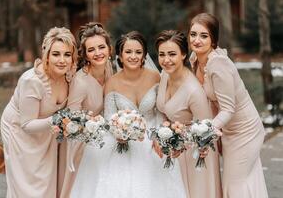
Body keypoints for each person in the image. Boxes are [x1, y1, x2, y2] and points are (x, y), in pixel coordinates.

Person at [70, 31, 186, 198]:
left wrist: (159, 136)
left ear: (144, 55)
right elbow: (110, 118)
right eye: (128, 52)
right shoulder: (112, 82)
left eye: (138, 52)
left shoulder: (155, 77)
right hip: (123, 142)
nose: (133, 56)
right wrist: (120, 133)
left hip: (152, 138)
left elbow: (160, 110)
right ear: (120, 55)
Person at [188, 13, 268, 198]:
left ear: (214, 39)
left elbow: (228, 109)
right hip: (228, 131)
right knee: (245, 181)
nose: (197, 40)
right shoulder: (195, 60)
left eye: (204, 35)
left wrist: (206, 130)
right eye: (193, 34)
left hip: (245, 130)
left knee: (235, 185)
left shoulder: (218, 65)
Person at [0, 27, 77, 198]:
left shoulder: (69, 76)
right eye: (56, 54)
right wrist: (58, 120)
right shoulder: (32, 81)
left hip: (46, 130)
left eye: (67, 54)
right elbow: (26, 124)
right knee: (26, 184)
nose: (62, 60)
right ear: (46, 55)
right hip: (19, 130)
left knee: (46, 181)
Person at [155, 30, 222, 198]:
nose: (166, 60)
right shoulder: (164, 75)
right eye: (161, 54)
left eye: (172, 54)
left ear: (183, 54)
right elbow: (164, 112)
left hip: (195, 154)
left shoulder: (193, 91)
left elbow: (205, 132)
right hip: (173, 150)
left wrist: (181, 144)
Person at [58, 22, 114, 198]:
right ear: (86, 54)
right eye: (91, 50)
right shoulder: (80, 82)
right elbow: (71, 120)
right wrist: (91, 124)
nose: (98, 53)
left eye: (101, 47)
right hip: (81, 142)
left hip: (104, 136)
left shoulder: (109, 68)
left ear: (109, 49)